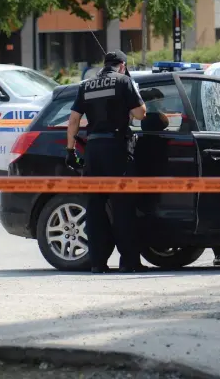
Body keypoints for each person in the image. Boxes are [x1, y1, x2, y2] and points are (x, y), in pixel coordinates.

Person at [66, 49, 147, 274]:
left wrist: (70, 151)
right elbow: (141, 114)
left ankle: (97, 262)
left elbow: (73, 120)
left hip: (93, 151)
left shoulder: (86, 85)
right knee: (123, 206)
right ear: (122, 65)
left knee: (95, 208)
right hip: (116, 149)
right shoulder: (123, 81)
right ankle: (129, 262)